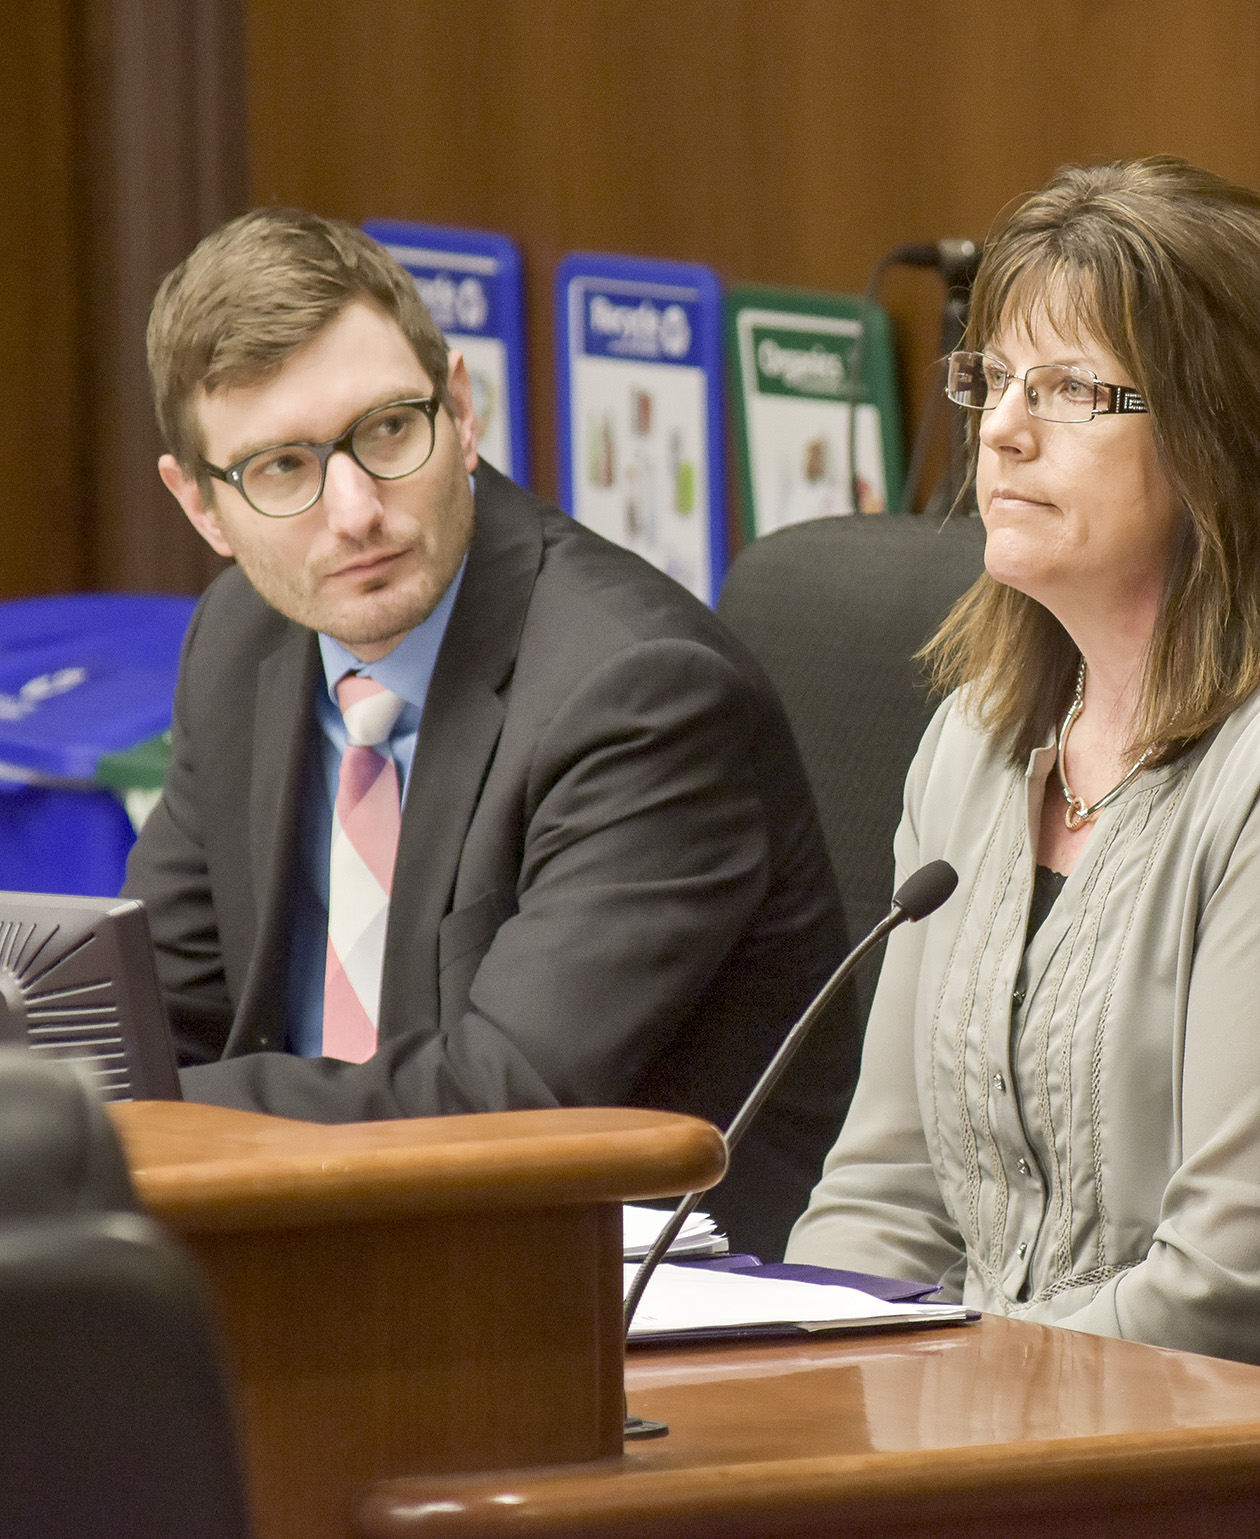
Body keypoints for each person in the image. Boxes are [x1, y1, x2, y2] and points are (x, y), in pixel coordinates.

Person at [787, 158, 1260, 1533]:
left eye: (1067, 391)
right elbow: (880, 1190)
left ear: (1220, 436)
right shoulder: (979, 737)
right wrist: (808, 1400)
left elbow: (1241, 1286)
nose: (1003, 431)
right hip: (1031, 1454)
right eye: (990, 380)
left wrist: (939, 1431)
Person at [127, 208, 853, 1260]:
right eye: (282, 469)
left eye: (386, 431)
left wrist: (144, 1112)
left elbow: (510, 1097)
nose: (356, 511)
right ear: (201, 508)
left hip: (607, 1309)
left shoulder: (642, 692)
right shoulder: (244, 640)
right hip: (316, 1258)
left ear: (461, 410)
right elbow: (161, 1005)